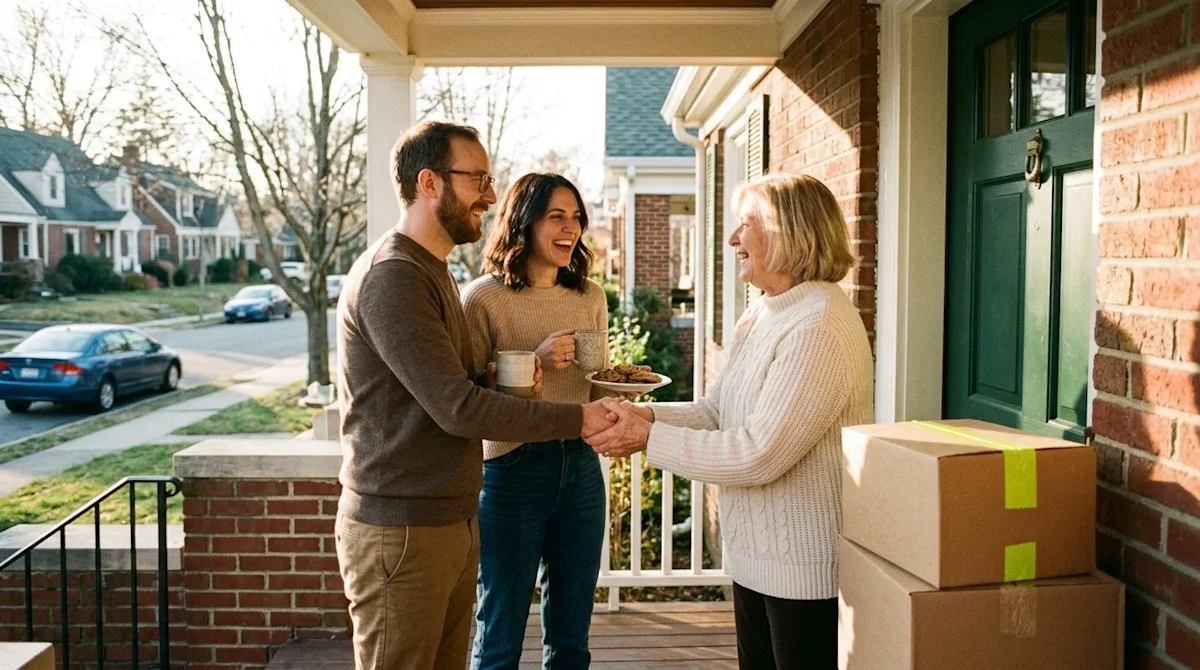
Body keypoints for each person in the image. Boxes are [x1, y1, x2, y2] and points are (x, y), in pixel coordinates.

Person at [335, 121, 614, 670]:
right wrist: (577, 418)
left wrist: (504, 375)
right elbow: (458, 408)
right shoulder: (395, 277)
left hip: (444, 519)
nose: (490, 194)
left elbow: (458, 388)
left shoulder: (431, 271)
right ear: (429, 183)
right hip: (403, 529)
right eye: (478, 179)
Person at [586, 173, 874, 670]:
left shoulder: (820, 323)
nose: (732, 239)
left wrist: (648, 438)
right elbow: (717, 413)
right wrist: (645, 414)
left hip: (802, 576)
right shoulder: (762, 315)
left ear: (790, 232)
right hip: (756, 564)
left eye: (746, 225)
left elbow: (758, 452)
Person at [462, 173, 608, 670]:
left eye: (577, 217)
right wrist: (533, 361)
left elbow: (598, 380)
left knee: (571, 636)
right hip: (510, 468)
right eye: (557, 217)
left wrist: (620, 394)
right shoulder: (483, 298)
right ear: (523, 223)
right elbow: (466, 397)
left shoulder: (589, 296)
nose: (572, 228)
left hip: (581, 463)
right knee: (500, 631)